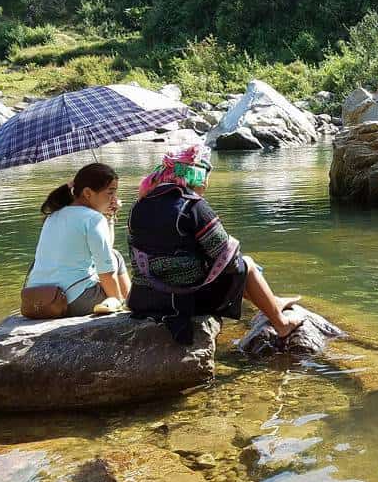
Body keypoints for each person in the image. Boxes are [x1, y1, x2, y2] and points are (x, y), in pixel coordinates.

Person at [126, 145, 304, 344]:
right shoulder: (192, 205)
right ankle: (281, 323)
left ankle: (272, 301)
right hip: (184, 300)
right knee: (247, 265)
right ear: (197, 177)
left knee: (236, 268)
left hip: (145, 298)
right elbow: (228, 260)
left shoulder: (139, 205)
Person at [27, 162, 131, 317]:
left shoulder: (54, 215)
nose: (114, 199)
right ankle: (131, 305)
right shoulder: (92, 218)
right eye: (110, 193)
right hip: (72, 300)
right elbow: (105, 271)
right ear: (88, 193)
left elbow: (106, 249)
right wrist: (116, 300)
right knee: (116, 264)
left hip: (37, 299)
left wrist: (108, 217)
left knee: (114, 255)